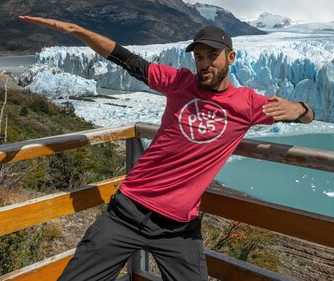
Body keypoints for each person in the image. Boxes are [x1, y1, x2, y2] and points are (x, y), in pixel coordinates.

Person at [19, 16, 314, 281]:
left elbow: (309, 115)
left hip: (178, 230)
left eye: (213, 56)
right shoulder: (178, 82)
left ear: (231, 57)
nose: (205, 63)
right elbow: (127, 60)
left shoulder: (247, 104)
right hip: (127, 212)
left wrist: (299, 107)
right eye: (199, 57)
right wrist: (78, 30)